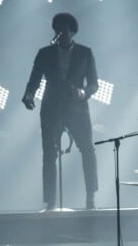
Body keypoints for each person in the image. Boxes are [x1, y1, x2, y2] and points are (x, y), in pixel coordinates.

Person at [22, 12, 98, 211]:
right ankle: (51, 202)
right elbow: (34, 79)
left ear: (72, 31)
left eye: (64, 29)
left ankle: (91, 197)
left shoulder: (85, 53)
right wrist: (29, 94)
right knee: (49, 154)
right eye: (58, 29)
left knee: (88, 149)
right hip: (51, 108)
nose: (60, 33)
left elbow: (94, 84)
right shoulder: (44, 53)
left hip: (77, 108)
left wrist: (83, 93)